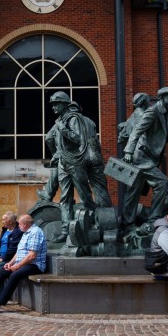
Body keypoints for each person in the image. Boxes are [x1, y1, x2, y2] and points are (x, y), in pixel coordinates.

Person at [46, 92, 111, 243]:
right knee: (64, 198)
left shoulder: (73, 119)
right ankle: (65, 230)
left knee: (84, 194)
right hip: (64, 162)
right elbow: (49, 138)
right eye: (53, 104)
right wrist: (57, 154)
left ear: (65, 104)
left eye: (57, 104)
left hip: (76, 161)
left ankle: (94, 220)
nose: (54, 107)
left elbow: (77, 139)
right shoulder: (61, 120)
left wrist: (62, 129)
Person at [123, 87, 168, 229]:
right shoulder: (153, 111)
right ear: (162, 98)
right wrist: (129, 151)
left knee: (133, 192)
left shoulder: (164, 113)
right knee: (162, 183)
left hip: (146, 158)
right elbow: (137, 131)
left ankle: (128, 223)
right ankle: (153, 219)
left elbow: (160, 134)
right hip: (141, 157)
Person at [0, 214, 48, 314]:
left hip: (35, 265)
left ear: (24, 224)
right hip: (24, 263)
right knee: (0, 270)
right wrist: (11, 263)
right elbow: (19, 251)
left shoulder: (35, 233)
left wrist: (17, 266)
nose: (18, 226)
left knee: (15, 274)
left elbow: (32, 256)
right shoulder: (26, 232)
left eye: (19, 224)